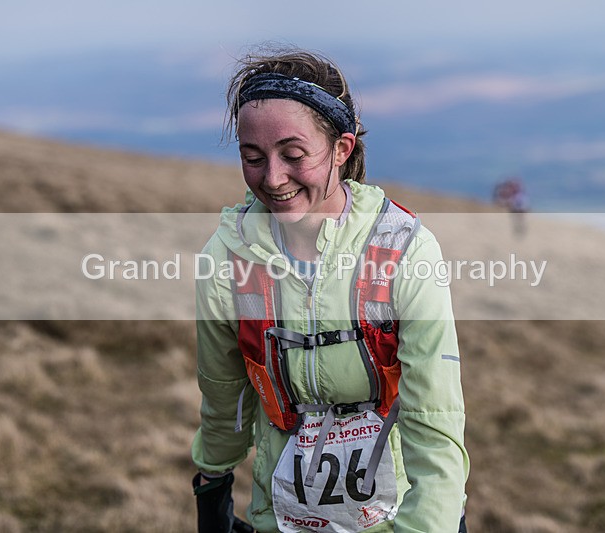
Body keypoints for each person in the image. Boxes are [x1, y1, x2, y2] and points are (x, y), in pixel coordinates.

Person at [192, 46, 469, 533]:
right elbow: (224, 397)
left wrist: (432, 524)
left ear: (341, 149)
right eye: (252, 158)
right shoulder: (225, 257)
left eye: (294, 156)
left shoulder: (404, 250)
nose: (273, 178)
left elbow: (435, 417)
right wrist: (212, 480)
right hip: (277, 519)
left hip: (393, 519)